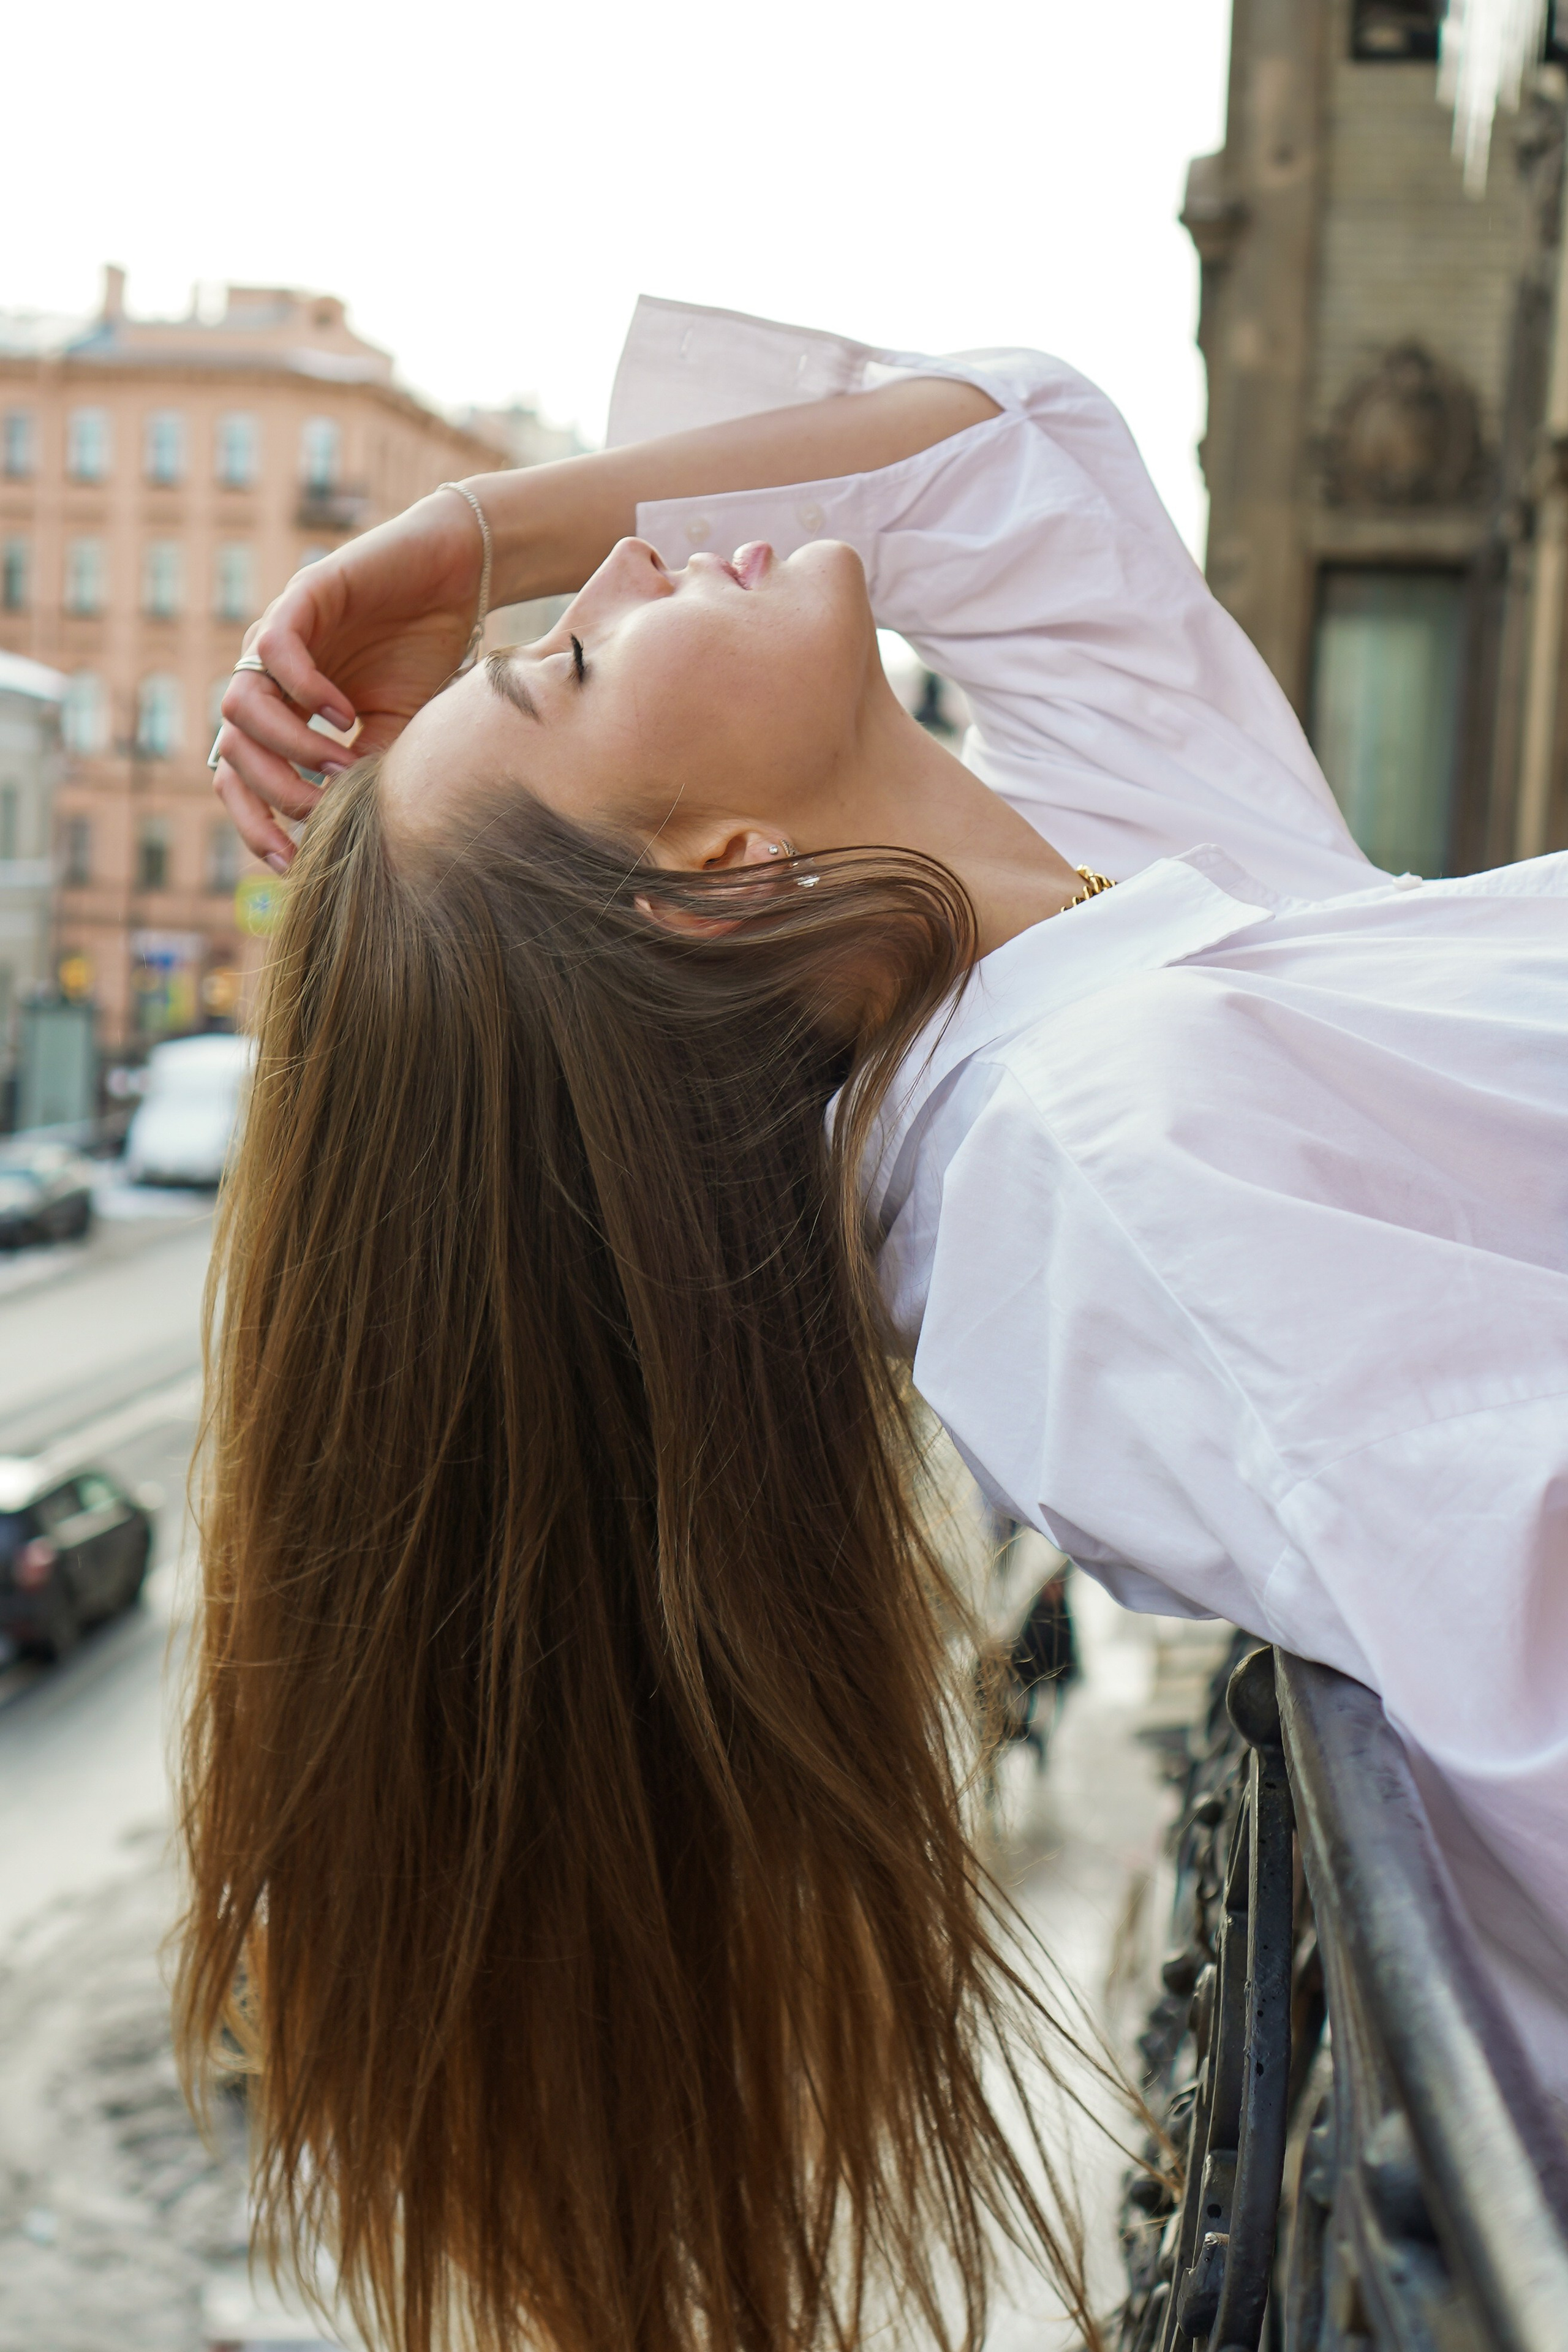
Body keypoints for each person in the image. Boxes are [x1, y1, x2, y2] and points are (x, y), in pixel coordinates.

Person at [185, 298, 1568, 2352]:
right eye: (575, 656)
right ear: (719, 886)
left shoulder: (1115, 921)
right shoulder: (1097, 1165)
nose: (633, 561)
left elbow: (1007, 462)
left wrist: (477, 545)